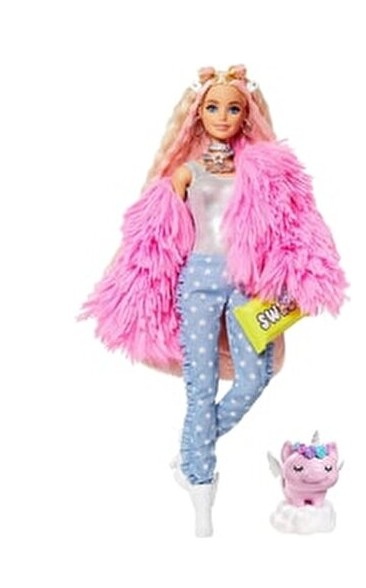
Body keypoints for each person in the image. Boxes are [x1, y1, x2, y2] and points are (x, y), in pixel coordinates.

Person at [80, 65, 347, 537]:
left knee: (255, 376)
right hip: (198, 280)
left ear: (246, 114)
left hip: (245, 282)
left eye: (233, 107)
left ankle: (191, 453)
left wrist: (290, 271)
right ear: (197, 113)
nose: (222, 116)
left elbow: (287, 222)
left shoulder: (258, 169)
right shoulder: (186, 172)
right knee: (199, 388)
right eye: (213, 107)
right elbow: (157, 238)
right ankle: (201, 498)